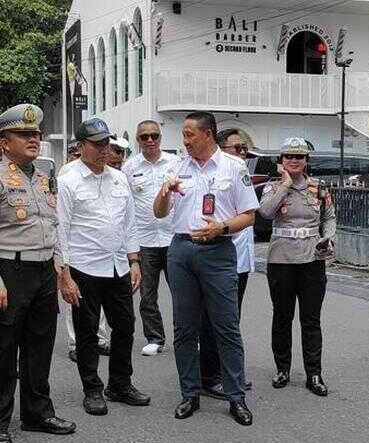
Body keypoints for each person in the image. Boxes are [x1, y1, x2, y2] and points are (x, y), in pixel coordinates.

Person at [0, 103, 75, 443]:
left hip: (42, 271)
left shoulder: (42, 179)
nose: (34, 140)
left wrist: (60, 270)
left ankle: (37, 413)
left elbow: (52, 228)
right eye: (24, 134)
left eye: (36, 134)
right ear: (3, 140)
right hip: (8, 272)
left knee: (39, 348)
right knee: (1, 352)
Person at [153, 112, 258, 426]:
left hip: (218, 250)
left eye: (189, 134)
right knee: (184, 328)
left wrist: (222, 228)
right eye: (183, 134)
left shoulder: (233, 167)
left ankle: (236, 397)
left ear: (208, 134)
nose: (184, 140)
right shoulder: (175, 167)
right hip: (181, 249)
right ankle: (190, 393)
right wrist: (163, 193)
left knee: (226, 326)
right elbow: (160, 213)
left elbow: (249, 216)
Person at [56, 118, 150, 416]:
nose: (102, 149)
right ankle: (92, 389)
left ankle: (120, 384)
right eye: (96, 144)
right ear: (80, 146)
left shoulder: (119, 179)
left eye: (105, 143)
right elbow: (61, 230)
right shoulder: (68, 180)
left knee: (125, 327)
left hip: (118, 266)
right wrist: (65, 275)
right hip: (84, 268)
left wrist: (134, 261)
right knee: (87, 334)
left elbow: (129, 223)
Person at [257, 137, 335, 396]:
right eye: (288, 156)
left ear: (306, 161)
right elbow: (266, 212)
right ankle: (282, 369)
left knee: (311, 320)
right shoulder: (272, 187)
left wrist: (328, 237)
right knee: (282, 317)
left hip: (312, 261)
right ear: (281, 161)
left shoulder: (318, 188)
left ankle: (314, 373)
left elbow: (329, 217)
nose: (294, 160)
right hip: (281, 261)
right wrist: (285, 186)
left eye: (299, 157)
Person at [197, 127, 255, 397]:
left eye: (245, 148)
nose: (243, 153)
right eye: (238, 148)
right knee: (212, 320)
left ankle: (229, 372)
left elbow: (249, 216)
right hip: (216, 258)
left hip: (240, 261)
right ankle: (210, 375)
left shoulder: (239, 174)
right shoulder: (213, 174)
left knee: (231, 320)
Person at [122, 120, 178, 357]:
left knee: (183, 294)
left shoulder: (176, 163)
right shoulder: (129, 167)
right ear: (138, 139)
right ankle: (155, 338)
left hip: (174, 238)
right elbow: (125, 207)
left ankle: (186, 337)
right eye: (144, 137)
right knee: (147, 294)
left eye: (154, 135)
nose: (150, 140)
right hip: (144, 240)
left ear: (161, 138)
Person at [59, 139, 111, 361]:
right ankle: (75, 343)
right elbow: (62, 223)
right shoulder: (67, 175)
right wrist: (64, 265)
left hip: (104, 254)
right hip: (78, 255)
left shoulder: (112, 175)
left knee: (98, 304)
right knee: (77, 303)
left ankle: (99, 338)